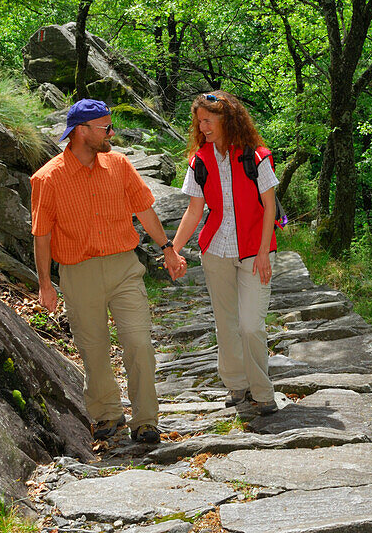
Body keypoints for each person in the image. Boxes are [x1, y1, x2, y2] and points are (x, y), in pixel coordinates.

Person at [31, 99, 187, 445]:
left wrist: (168, 249)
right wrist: (46, 284)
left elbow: (145, 210)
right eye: (105, 127)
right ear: (81, 132)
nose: (112, 133)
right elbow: (41, 235)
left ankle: (146, 420)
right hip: (78, 272)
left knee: (139, 344)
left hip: (123, 269)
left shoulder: (119, 165)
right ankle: (107, 414)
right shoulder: (47, 178)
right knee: (93, 349)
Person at [172, 91, 279, 416]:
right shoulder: (199, 160)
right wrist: (172, 250)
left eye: (208, 120)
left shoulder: (256, 156)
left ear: (226, 119)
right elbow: (194, 211)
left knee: (251, 325)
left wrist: (263, 253)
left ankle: (263, 392)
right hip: (215, 251)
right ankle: (236, 385)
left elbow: (270, 207)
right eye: (199, 121)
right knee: (226, 323)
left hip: (255, 252)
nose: (202, 126)